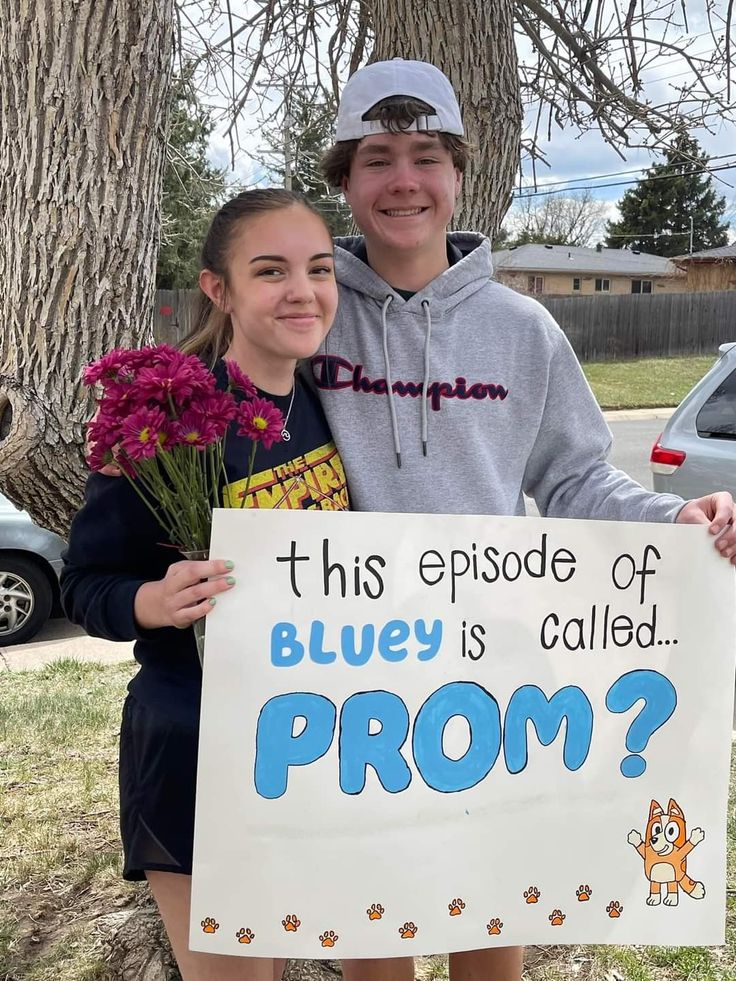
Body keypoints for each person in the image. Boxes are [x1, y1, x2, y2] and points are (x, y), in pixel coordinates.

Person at [311, 58, 736, 981]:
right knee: (372, 930)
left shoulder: (522, 329)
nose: (403, 181)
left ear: (460, 172)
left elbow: (576, 478)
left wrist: (676, 521)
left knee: (484, 913)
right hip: (342, 679)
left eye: (425, 155)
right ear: (345, 179)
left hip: (488, 676)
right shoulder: (308, 317)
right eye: (376, 157)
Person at [61, 188, 348, 981]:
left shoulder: (338, 405)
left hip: (322, 747)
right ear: (218, 288)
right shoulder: (164, 416)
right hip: (195, 751)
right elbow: (85, 582)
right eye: (270, 270)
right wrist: (151, 601)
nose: (302, 289)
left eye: (319, 268)